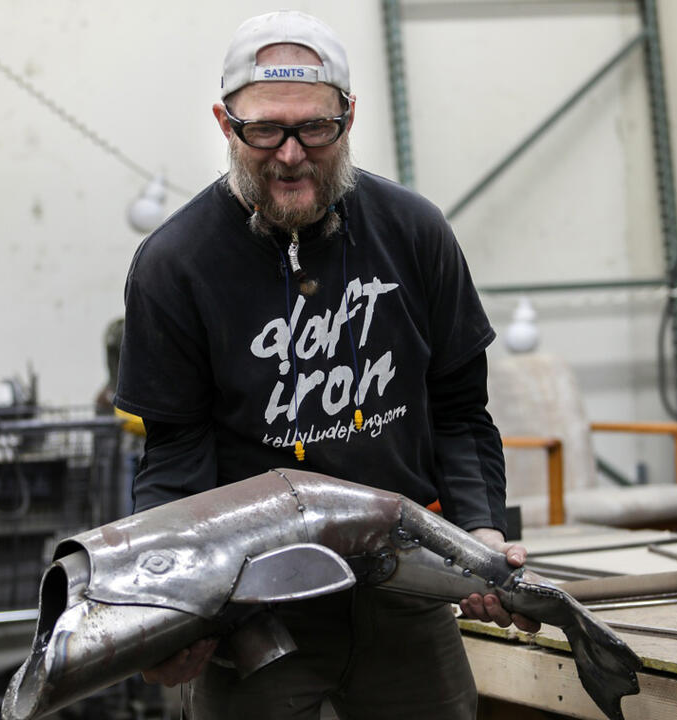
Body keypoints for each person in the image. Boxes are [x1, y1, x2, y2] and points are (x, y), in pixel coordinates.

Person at [114, 10, 537, 718]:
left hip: (407, 589)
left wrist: (480, 535)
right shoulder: (175, 266)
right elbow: (175, 458)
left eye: (314, 128)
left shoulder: (415, 233)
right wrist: (168, 604)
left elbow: (459, 413)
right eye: (264, 131)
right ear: (225, 123)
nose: (289, 155)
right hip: (256, 612)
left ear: (348, 116)